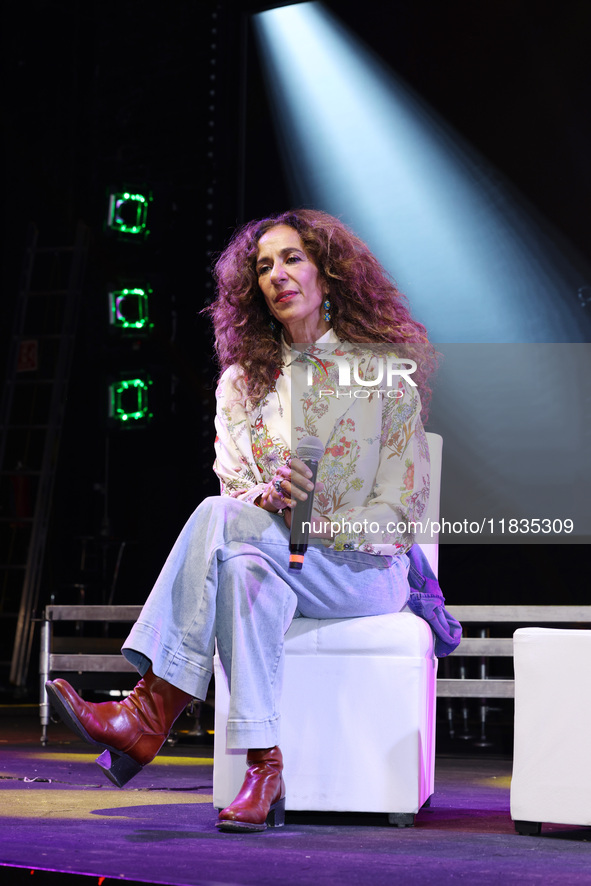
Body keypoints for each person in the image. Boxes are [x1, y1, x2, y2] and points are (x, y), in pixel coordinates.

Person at [46, 209, 438, 833]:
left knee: (222, 530)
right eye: (263, 267)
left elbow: (406, 506)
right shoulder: (241, 384)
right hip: (273, 557)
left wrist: (327, 518)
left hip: (361, 574)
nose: (277, 275)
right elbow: (233, 490)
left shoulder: (384, 380)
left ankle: (150, 711)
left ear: (329, 275)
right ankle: (263, 765)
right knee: (241, 567)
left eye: (292, 259)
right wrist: (271, 499)